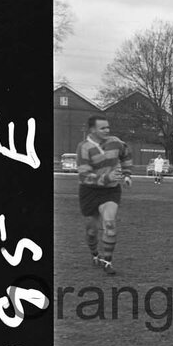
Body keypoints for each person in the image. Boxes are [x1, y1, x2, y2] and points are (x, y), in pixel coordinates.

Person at [75, 115, 133, 275]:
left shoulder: (115, 142)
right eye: (103, 128)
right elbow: (84, 176)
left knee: (110, 224)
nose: (107, 130)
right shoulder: (84, 147)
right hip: (89, 191)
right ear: (92, 130)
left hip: (110, 191)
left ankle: (108, 262)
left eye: (108, 127)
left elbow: (126, 155)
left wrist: (127, 175)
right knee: (91, 231)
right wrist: (107, 177)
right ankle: (95, 254)